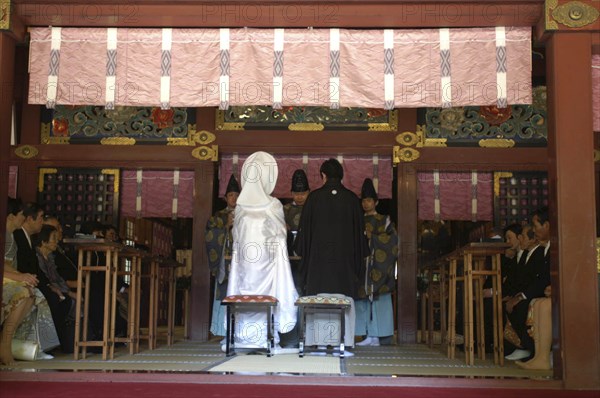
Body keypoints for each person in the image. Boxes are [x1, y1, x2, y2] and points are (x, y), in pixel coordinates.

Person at [225, 151, 298, 351]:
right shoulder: (272, 205)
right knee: (263, 295)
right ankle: (259, 337)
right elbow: (281, 235)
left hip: (249, 265)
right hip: (262, 263)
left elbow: (237, 238)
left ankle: (249, 337)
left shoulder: (241, 208)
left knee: (251, 294)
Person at [295, 158, 368, 350]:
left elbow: (303, 234)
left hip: (318, 266)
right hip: (345, 267)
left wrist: (301, 250)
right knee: (343, 298)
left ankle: (317, 342)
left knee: (319, 297)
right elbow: (361, 238)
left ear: (323, 176)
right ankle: (343, 343)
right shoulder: (352, 199)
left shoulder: (314, 198)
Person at [3, 198, 59, 363]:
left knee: (30, 292)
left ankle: (8, 342)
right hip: (7, 280)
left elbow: (7, 264)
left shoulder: (11, 235)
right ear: (11, 216)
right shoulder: (9, 235)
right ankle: (7, 343)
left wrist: (22, 276)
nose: (24, 218)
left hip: (9, 277)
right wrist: (19, 277)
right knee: (27, 292)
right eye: (21, 214)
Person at [355, 178, 397, 347]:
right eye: (364, 200)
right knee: (362, 299)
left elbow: (393, 240)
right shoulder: (357, 220)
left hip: (378, 267)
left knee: (379, 300)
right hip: (362, 265)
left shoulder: (384, 220)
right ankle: (366, 334)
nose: (366, 204)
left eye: (369, 200)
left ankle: (377, 335)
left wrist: (373, 238)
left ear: (376, 202)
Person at [205, 174, 240, 340]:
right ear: (226, 198)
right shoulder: (218, 216)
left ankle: (241, 331)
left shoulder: (247, 214)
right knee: (225, 292)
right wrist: (226, 227)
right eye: (231, 195)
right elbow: (210, 235)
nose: (234, 198)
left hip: (243, 262)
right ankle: (223, 331)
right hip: (224, 264)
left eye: (237, 195)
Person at [283, 169, 310, 292]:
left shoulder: (313, 208)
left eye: (303, 193)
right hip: (288, 251)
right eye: (296, 193)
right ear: (291, 193)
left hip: (308, 251)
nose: (299, 197)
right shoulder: (285, 209)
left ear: (309, 192)